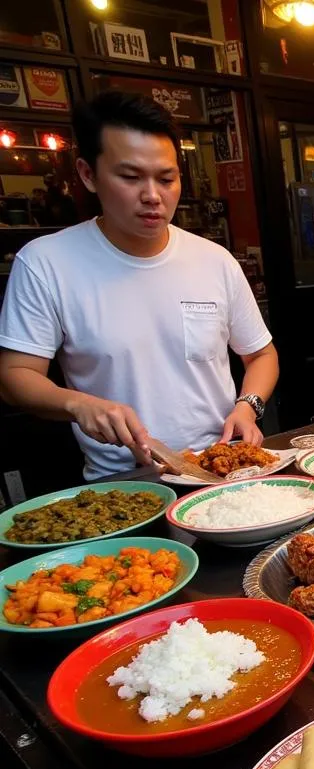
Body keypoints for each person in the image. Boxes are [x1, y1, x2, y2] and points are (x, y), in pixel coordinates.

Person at [0, 91, 278, 481]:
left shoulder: (214, 260)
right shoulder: (47, 262)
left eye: (166, 178)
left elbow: (261, 355)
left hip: (220, 469)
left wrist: (247, 406)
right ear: (87, 174)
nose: (153, 196)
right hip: (125, 481)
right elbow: (15, 375)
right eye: (130, 177)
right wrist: (78, 404)